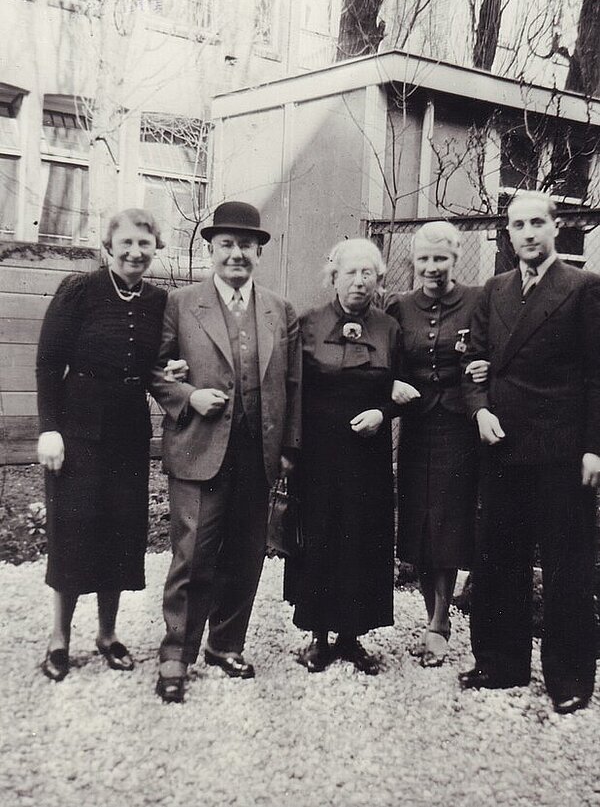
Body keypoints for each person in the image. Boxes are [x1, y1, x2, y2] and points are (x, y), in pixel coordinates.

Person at [151, 201, 302, 703]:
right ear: (210, 250)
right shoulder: (180, 303)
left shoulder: (279, 310)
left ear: (259, 251)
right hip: (198, 450)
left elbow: (294, 384)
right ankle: (177, 653)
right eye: (226, 245)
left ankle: (225, 643)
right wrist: (187, 396)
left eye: (246, 245)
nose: (237, 254)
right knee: (193, 554)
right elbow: (154, 369)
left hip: (257, 453)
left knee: (245, 553)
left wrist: (288, 449)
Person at [459, 190, 600, 714]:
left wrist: (593, 448)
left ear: (557, 227)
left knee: (567, 566)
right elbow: (471, 359)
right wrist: (479, 410)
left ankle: (568, 679)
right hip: (502, 445)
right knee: (498, 561)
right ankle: (501, 663)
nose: (528, 234)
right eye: (518, 225)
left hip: (561, 450)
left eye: (538, 223)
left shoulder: (583, 288)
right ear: (508, 233)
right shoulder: (494, 289)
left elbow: (596, 376)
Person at [36, 208, 168, 681]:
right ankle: (59, 639)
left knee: (118, 531)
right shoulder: (79, 290)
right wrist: (49, 429)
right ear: (108, 246)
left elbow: (159, 361)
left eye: (145, 244)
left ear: (156, 249)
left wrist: (170, 372)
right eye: (127, 243)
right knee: (72, 533)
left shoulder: (157, 300)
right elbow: (49, 363)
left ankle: (107, 635)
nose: (136, 252)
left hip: (129, 433)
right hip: (77, 431)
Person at [284, 238, 401, 675]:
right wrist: (290, 450)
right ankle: (317, 637)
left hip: (368, 456)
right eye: (350, 272)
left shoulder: (389, 328)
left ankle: (352, 637)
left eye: (367, 273)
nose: (359, 281)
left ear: (378, 280)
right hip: (318, 456)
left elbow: (404, 387)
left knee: (362, 541)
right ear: (333, 278)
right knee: (319, 538)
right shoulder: (309, 324)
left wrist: (382, 412)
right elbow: (292, 389)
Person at [385, 221, 488, 667]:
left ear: (455, 256)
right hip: (417, 427)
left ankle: (439, 622)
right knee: (421, 523)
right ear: (414, 261)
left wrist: (485, 370)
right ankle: (433, 614)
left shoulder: (478, 302)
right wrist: (392, 385)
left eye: (441, 258)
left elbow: (493, 350)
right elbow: (382, 360)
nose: (432, 267)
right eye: (424, 258)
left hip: (459, 428)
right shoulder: (399, 307)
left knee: (448, 521)